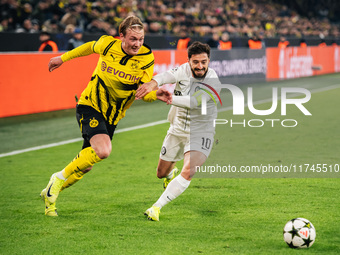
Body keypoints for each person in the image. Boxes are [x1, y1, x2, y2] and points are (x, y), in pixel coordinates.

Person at [40, 16, 169, 216]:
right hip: (90, 104)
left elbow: (143, 92)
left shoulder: (146, 58)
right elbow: (88, 47)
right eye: (133, 39)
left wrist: (157, 94)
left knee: (85, 167)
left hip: (113, 116)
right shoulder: (108, 45)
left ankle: (49, 193)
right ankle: (56, 179)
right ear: (121, 37)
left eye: (141, 39)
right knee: (103, 150)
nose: (137, 44)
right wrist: (62, 58)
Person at [135, 42, 221, 221]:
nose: (200, 66)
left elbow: (195, 102)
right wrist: (153, 83)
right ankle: (170, 175)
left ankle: (156, 207)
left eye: (204, 62)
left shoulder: (213, 81)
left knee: (189, 170)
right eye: (196, 62)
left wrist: (170, 98)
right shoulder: (183, 70)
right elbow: (166, 75)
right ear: (189, 61)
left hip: (201, 132)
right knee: (160, 173)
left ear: (209, 61)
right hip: (177, 128)